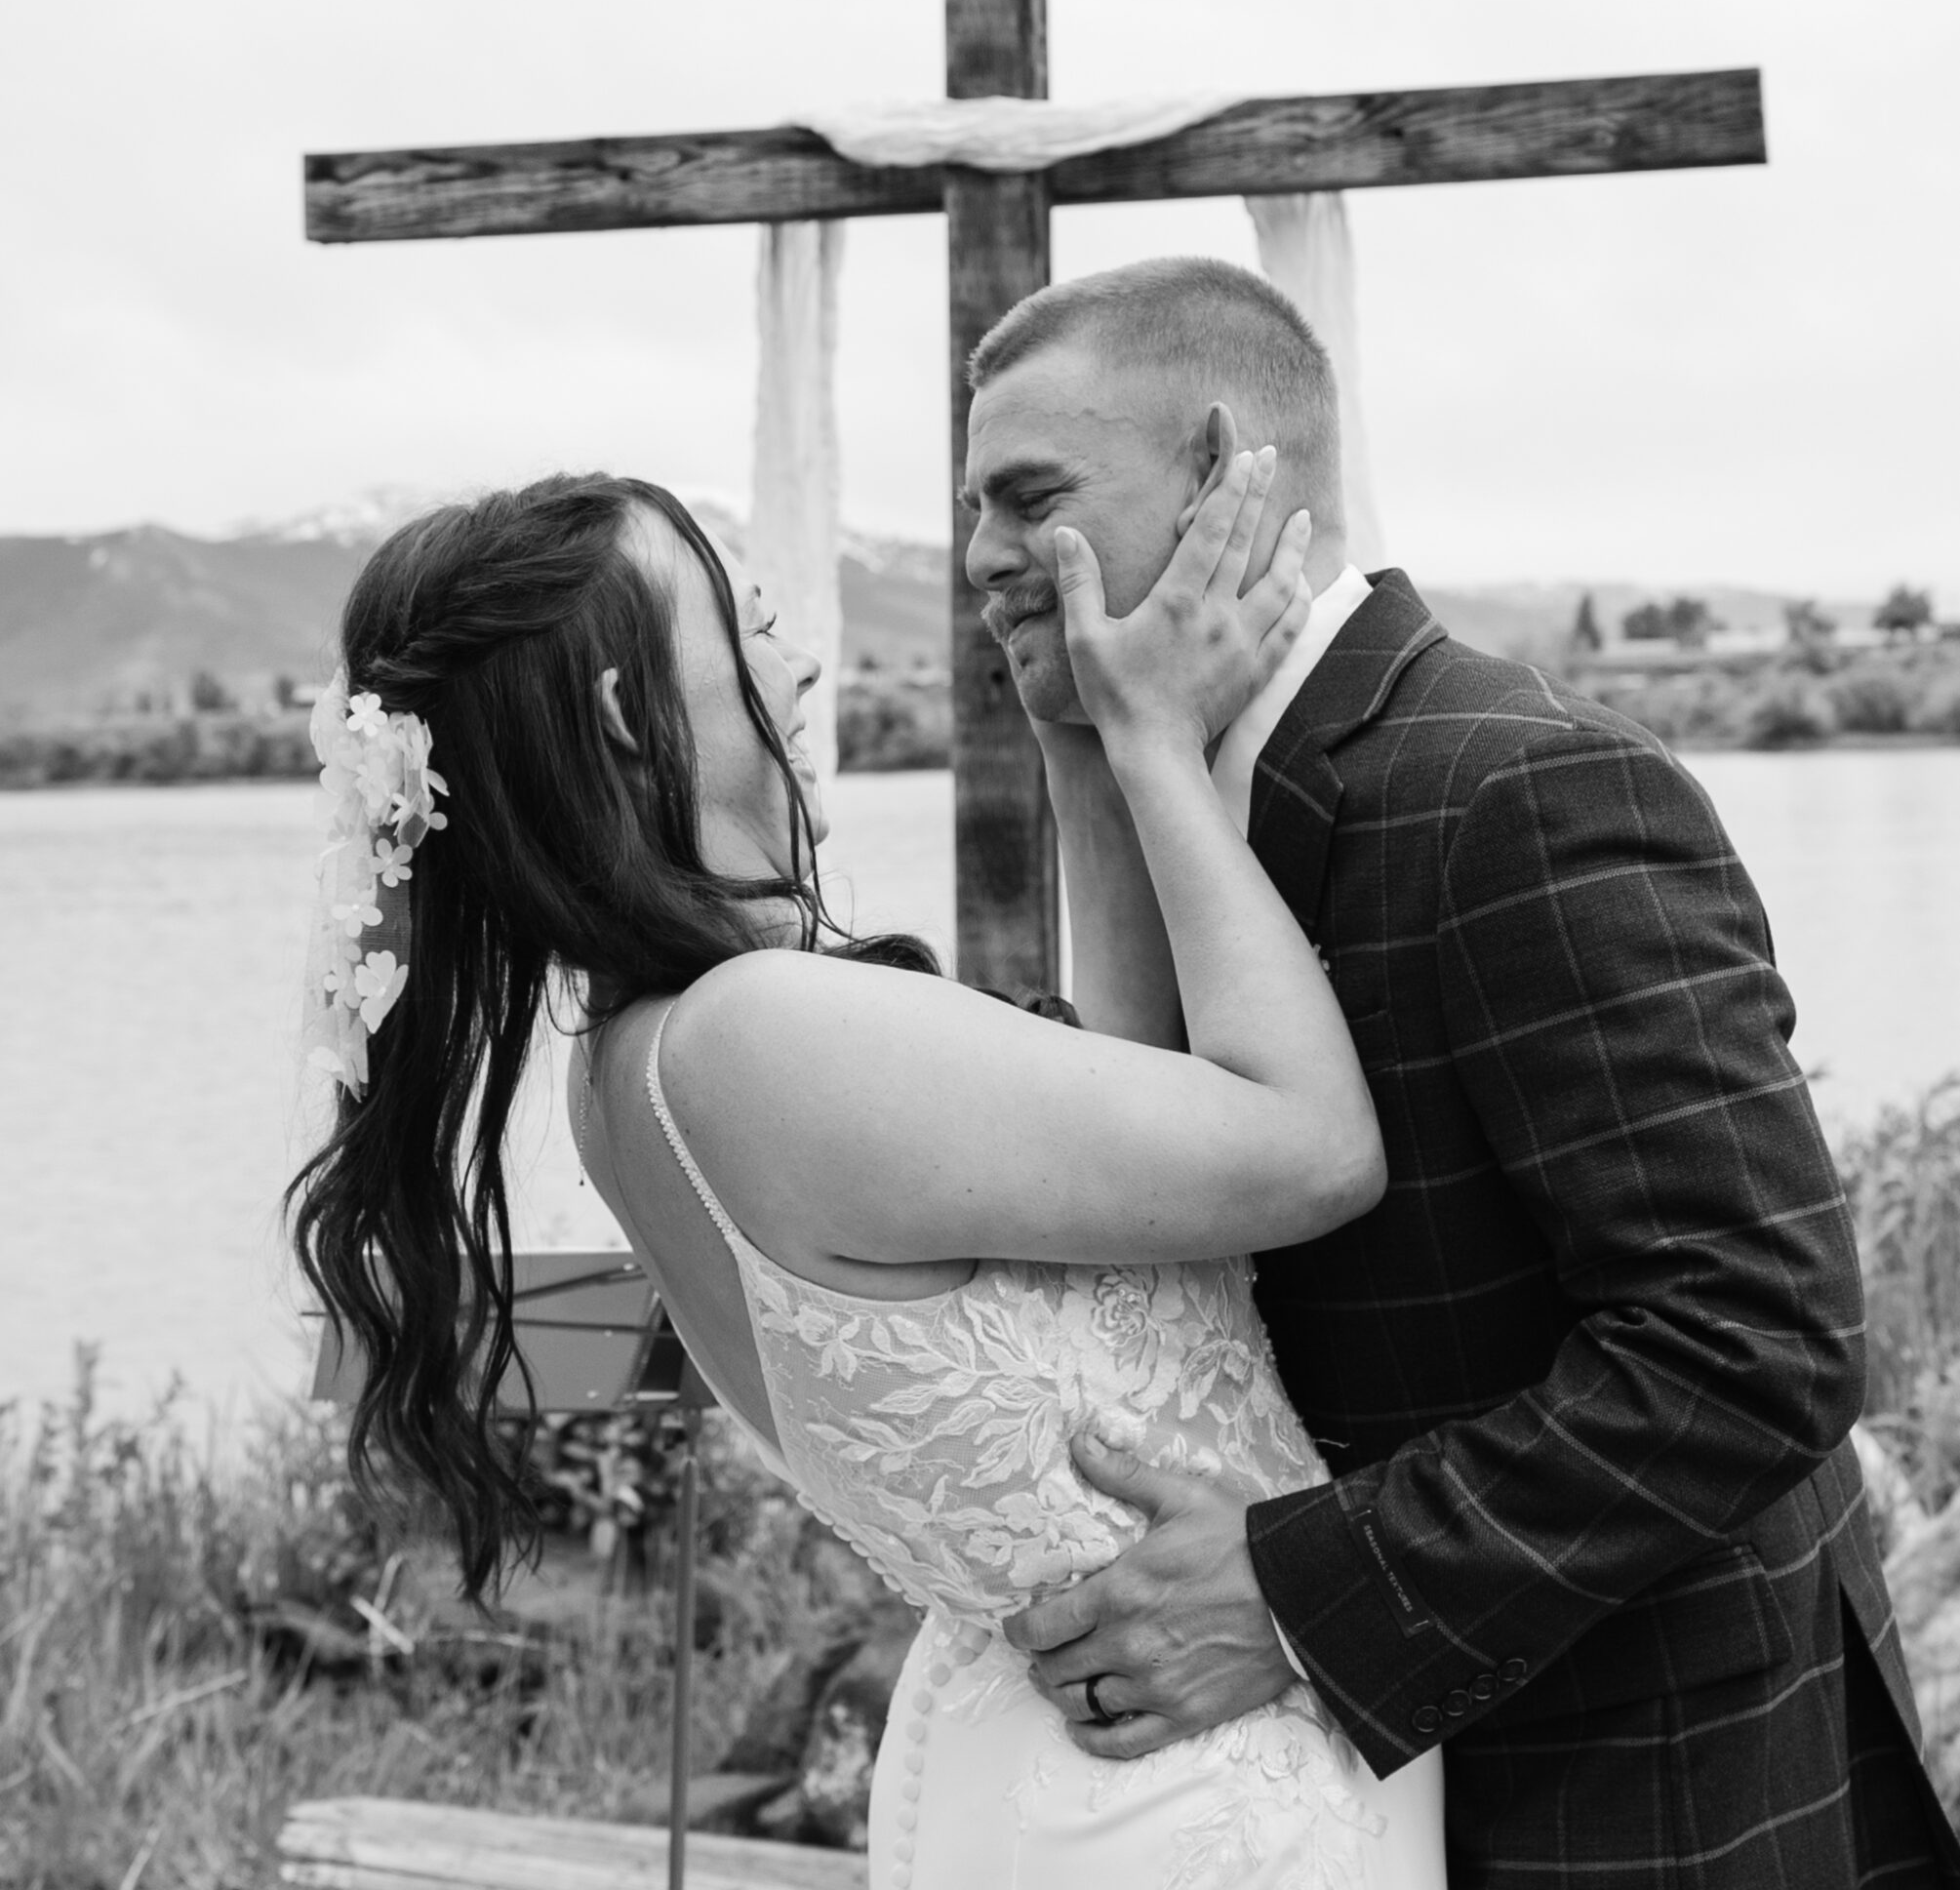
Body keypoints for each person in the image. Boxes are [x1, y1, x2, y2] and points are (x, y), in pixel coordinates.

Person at [287, 462, 1451, 1889]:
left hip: (1060, 1755)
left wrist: (1075, 755)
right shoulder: (763, 1036)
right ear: (620, 710)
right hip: (1181, 1801)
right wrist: (1157, 737)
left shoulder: (632, 1060)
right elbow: (1309, 1150)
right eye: (752, 618)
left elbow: (1139, 1145)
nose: (803, 659)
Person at [963, 256, 1959, 1887]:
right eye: (974, 510)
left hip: (1621, 1785)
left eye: (1030, 497)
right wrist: (1090, 745)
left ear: (1225, 472)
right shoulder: (1183, 797)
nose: (984, 557)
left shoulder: (1520, 791)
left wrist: (1295, 1592)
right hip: (1324, 1806)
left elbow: (1754, 1338)